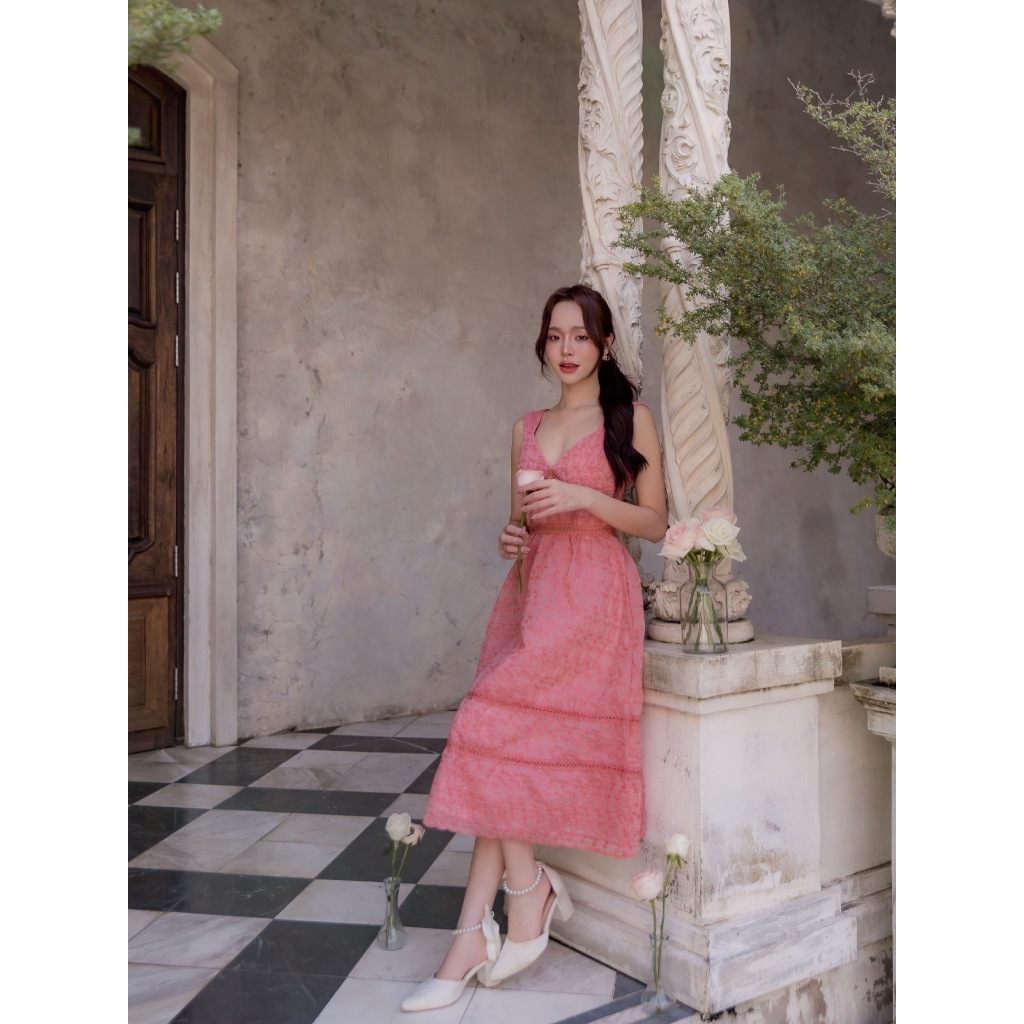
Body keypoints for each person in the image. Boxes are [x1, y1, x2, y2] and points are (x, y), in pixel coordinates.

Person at [403, 284, 668, 1012]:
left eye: (580, 335)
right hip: (533, 593)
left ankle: (502, 915)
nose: (567, 349)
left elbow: (653, 522)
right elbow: (519, 525)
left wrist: (584, 499)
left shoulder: (630, 418)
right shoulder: (524, 426)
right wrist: (510, 538)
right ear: (543, 344)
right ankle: (501, 913)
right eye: (555, 336)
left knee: (487, 728)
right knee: (501, 748)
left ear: (604, 344)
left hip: (595, 599)